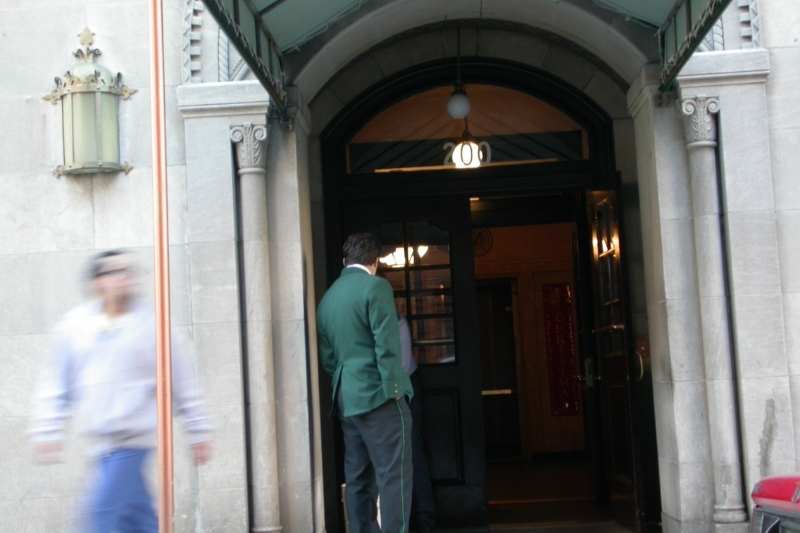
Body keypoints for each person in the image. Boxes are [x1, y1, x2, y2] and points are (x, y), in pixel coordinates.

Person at [30, 249, 212, 533]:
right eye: (115, 272)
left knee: (100, 515)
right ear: (97, 282)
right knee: (137, 522)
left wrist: (198, 430)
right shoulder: (75, 327)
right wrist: (47, 430)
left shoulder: (154, 326)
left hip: (131, 443)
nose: (125, 277)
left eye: (129, 271)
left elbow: (183, 380)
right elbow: (57, 383)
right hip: (99, 447)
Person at [317, 233, 414, 533]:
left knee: (358, 476)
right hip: (379, 395)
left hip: (347, 398)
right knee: (394, 476)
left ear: (345, 261)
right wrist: (396, 390)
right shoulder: (376, 286)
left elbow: (329, 358)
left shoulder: (329, 296)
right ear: (374, 262)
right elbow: (386, 346)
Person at [398, 315, 436, 533]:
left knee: (413, 455)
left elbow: (402, 367)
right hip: (400, 387)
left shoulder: (396, 322)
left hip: (404, 389)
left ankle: (424, 518)